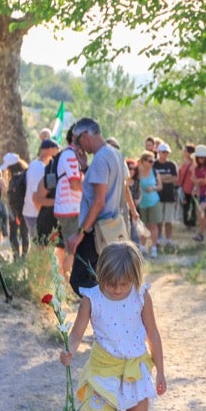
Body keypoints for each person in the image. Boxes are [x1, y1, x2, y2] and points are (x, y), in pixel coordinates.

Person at [58, 241, 167, 411]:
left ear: (134, 278)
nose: (117, 290)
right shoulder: (91, 299)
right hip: (103, 372)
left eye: (123, 284)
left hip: (134, 369)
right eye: (110, 284)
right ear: (101, 275)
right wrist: (69, 349)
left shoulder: (141, 296)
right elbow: (77, 333)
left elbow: (153, 334)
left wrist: (161, 372)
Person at [66, 118, 138, 295]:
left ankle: (108, 306)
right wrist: (85, 167)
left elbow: (99, 201)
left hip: (96, 231)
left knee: (79, 280)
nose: (79, 147)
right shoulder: (115, 154)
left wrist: (80, 233)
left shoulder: (100, 159)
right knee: (101, 278)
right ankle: (110, 306)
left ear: (85, 135)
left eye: (77, 141)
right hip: (111, 228)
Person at [54, 133, 84, 277]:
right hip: (70, 208)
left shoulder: (69, 154)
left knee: (69, 248)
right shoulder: (70, 155)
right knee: (72, 249)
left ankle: (65, 281)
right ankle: (67, 283)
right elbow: (74, 183)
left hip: (68, 207)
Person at [29, 138, 62, 245]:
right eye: (57, 149)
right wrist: (58, 202)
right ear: (50, 149)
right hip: (40, 216)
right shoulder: (42, 169)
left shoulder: (36, 165)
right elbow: (36, 198)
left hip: (37, 214)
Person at [151, 143, 179, 247]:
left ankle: (168, 240)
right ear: (158, 152)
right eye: (163, 152)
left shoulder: (171, 165)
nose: (165, 154)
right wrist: (167, 176)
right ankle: (158, 239)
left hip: (169, 196)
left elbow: (175, 179)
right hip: (157, 196)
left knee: (168, 220)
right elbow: (153, 178)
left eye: (166, 152)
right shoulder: (154, 164)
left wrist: (160, 178)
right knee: (158, 219)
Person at [136, 151, 162, 257]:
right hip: (142, 203)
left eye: (153, 161)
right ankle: (142, 247)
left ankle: (154, 248)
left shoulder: (155, 172)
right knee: (143, 225)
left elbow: (160, 186)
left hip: (154, 202)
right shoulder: (138, 173)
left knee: (153, 226)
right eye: (149, 161)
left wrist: (153, 188)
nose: (152, 163)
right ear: (143, 161)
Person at [3, 153, 29, 259]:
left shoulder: (15, 179)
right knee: (24, 234)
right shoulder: (26, 175)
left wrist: (17, 214)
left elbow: (15, 198)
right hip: (25, 209)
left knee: (14, 235)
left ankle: (17, 257)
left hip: (17, 211)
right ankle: (24, 257)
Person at [191, 144, 206, 242]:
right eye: (199, 157)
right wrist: (197, 184)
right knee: (202, 214)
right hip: (202, 193)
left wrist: (198, 181)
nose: (201, 159)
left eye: (203, 157)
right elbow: (193, 179)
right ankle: (205, 235)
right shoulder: (197, 167)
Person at [177, 143, 198, 229]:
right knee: (185, 206)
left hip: (192, 189)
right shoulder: (183, 163)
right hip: (184, 189)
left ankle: (192, 223)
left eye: (185, 151)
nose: (183, 152)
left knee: (193, 207)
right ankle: (186, 223)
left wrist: (195, 187)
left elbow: (195, 176)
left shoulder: (194, 164)